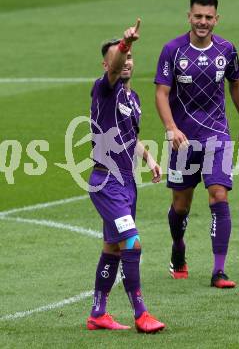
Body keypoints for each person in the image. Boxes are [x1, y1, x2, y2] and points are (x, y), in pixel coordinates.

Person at [155, 0, 239, 288]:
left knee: (219, 196)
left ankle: (219, 271)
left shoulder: (226, 50)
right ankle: (178, 248)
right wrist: (171, 127)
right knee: (180, 206)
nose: (203, 22)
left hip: (217, 135)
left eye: (208, 17)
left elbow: (236, 85)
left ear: (216, 19)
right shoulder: (173, 50)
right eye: (198, 16)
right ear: (189, 17)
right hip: (183, 141)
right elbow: (161, 92)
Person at [87, 19, 165, 333]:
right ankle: (141, 313)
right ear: (109, 64)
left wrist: (149, 158)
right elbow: (115, 65)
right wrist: (125, 43)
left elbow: (131, 137)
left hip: (127, 183)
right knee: (131, 243)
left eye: (131, 57)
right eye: (122, 57)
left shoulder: (134, 100)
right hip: (106, 182)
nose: (127, 61)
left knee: (112, 248)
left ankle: (98, 313)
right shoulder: (105, 89)